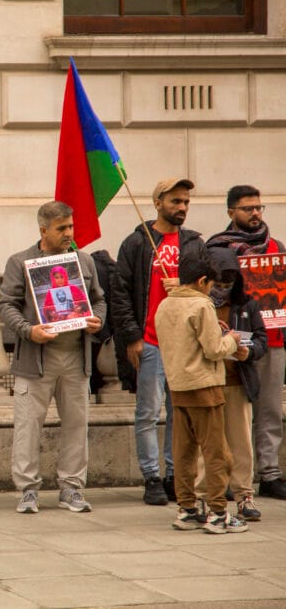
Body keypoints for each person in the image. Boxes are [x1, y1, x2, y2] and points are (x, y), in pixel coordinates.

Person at [0, 202, 105, 514]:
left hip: (76, 358)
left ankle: (71, 488)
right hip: (36, 360)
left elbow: (99, 300)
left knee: (76, 425)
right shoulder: (20, 261)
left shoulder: (84, 261)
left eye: (71, 226)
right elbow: (6, 304)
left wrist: (97, 319)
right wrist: (29, 330)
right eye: (62, 228)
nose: (69, 233)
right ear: (43, 230)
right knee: (28, 426)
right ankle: (28, 490)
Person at [111, 178, 207, 506]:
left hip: (184, 344)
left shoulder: (194, 243)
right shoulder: (136, 243)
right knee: (148, 413)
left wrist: (183, 285)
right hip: (150, 341)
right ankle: (151, 476)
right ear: (158, 203)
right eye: (175, 201)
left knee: (180, 413)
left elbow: (208, 288)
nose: (182, 207)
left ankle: (173, 475)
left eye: (186, 202)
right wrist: (132, 337)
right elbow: (120, 293)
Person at [155, 253, 247, 534]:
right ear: (202, 281)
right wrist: (231, 340)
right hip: (204, 386)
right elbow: (214, 350)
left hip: (178, 385)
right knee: (216, 452)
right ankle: (218, 513)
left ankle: (187, 509)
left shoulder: (165, 304)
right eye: (211, 284)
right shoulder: (201, 305)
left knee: (183, 452)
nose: (212, 290)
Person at [207, 185, 286, 501]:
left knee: (270, 408)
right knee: (231, 414)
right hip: (233, 338)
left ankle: (270, 473)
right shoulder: (218, 248)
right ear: (231, 212)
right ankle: (230, 477)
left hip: (272, 338)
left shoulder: (276, 247)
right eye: (247, 208)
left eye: (258, 207)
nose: (255, 213)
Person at [191, 248, 267, 522]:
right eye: (218, 283)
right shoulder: (198, 304)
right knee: (207, 445)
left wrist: (250, 351)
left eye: (228, 284)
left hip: (237, 382)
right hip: (207, 382)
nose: (222, 289)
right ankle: (202, 496)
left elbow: (261, 339)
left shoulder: (246, 305)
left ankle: (244, 494)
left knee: (241, 443)